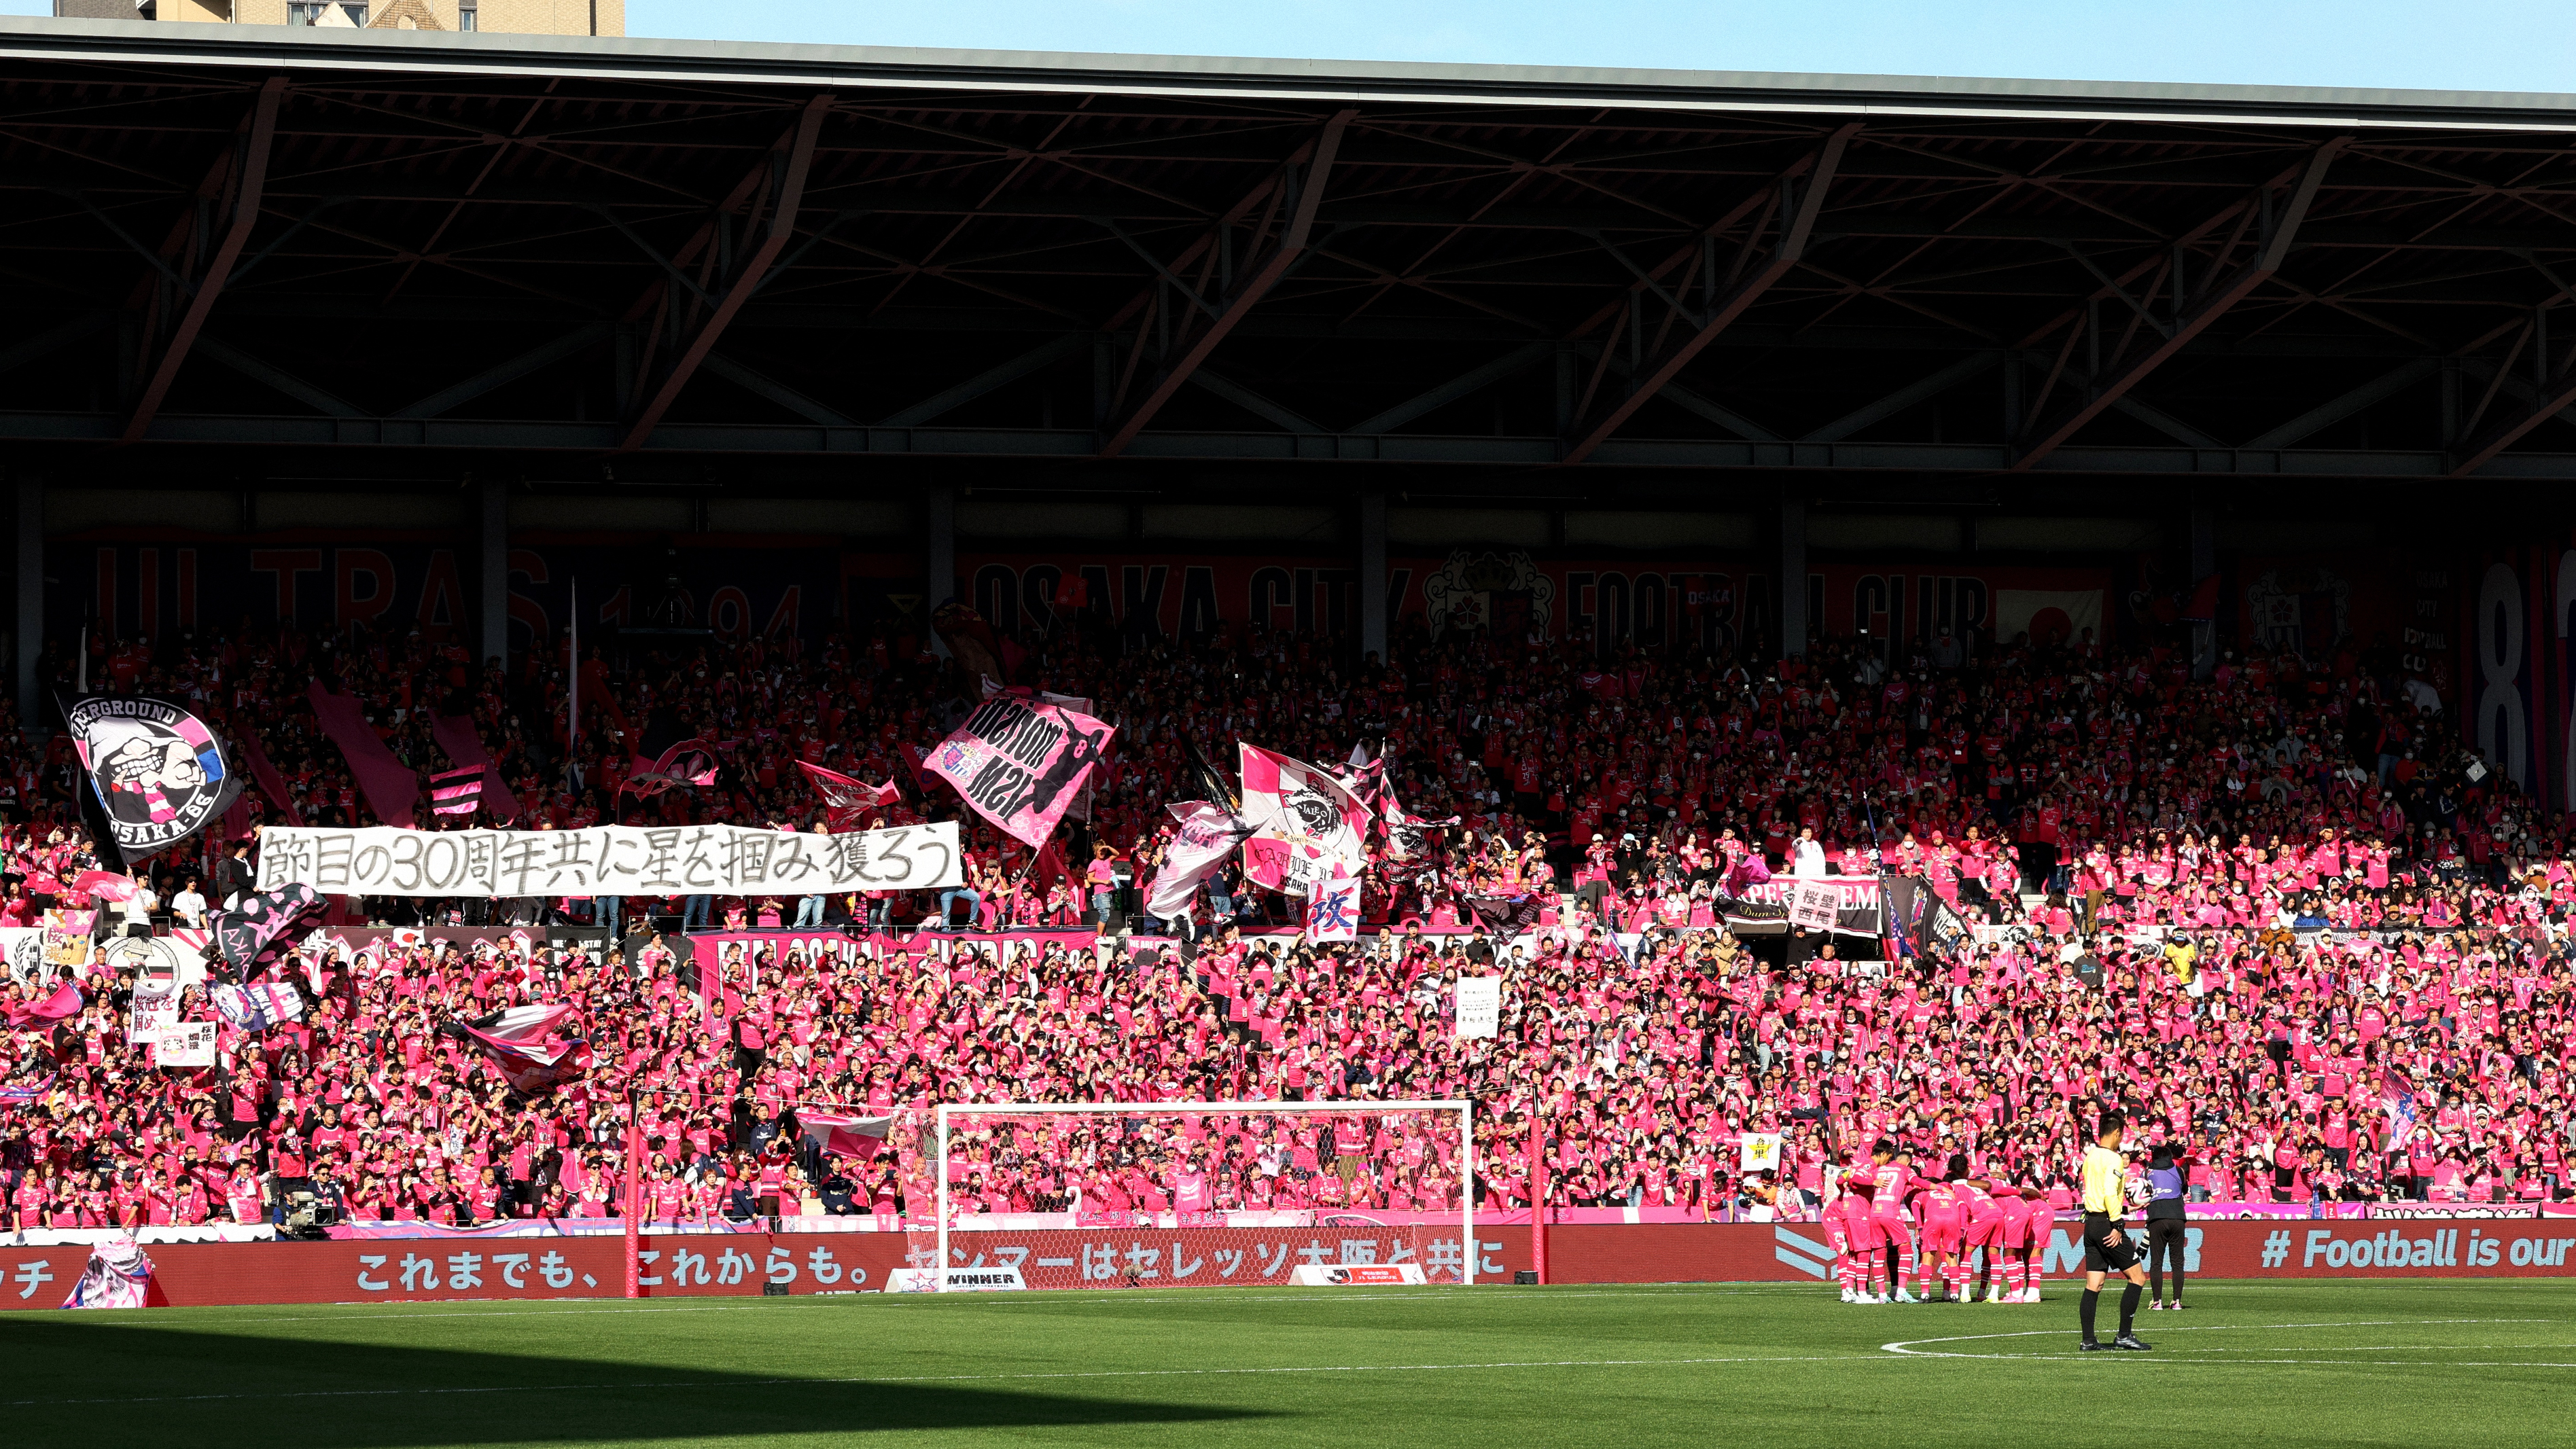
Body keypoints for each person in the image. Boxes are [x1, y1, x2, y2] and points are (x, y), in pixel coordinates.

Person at [2078, 1111, 2152, 1351]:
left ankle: (2088, 1340)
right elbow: (2110, 1192)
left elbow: (2098, 1191)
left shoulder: (2090, 1156)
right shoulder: (2113, 1158)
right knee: (2138, 1277)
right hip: (2107, 1224)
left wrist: (2126, 1207)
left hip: (2091, 1224)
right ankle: (2124, 1335)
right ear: (2118, 1133)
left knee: (2094, 1284)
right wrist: (2118, 1223)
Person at [2144, 1137, 2191, 1310]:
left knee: (2157, 1261)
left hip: (2157, 1216)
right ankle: (2177, 1302)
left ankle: (2157, 1302)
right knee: (2177, 1262)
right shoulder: (2178, 1171)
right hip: (2178, 1216)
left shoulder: (2148, 1171)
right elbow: (2184, 1190)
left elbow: (2143, 1192)